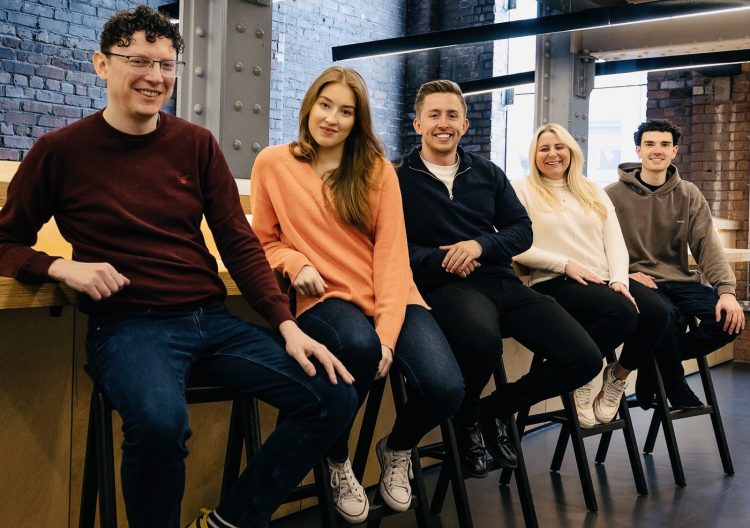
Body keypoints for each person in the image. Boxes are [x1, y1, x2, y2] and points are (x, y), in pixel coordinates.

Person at [0, 6, 358, 528]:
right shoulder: (60, 151)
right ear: (102, 64)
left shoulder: (196, 144)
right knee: (161, 425)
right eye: (139, 61)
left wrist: (286, 325)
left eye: (167, 65)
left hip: (211, 321)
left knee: (334, 396)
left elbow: (239, 243)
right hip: (129, 327)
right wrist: (58, 267)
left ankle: (231, 521)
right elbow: (5, 241)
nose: (155, 77)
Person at [250, 67, 463, 522]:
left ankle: (397, 449)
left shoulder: (376, 170)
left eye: (346, 111)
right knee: (358, 348)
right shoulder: (272, 163)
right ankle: (336, 457)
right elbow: (263, 242)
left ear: (357, 120)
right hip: (325, 298)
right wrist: (295, 262)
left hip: (390, 295)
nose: (332, 118)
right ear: (309, 106)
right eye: (325, 105)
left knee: (446, 389)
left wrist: (388, 335)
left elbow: (392, 257)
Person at [396, 80, 601, 478]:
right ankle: (465, 420)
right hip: (445, 286)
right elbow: (387, 245)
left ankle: (492, 409)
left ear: (465, 124)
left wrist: (478, 245)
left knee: (584, 358)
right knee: (482, 344)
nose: (443, 123)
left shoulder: (487, 172)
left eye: (452, 115)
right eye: (434, 115)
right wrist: (441, 259)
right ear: (417, 123)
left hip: (501, 281)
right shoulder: (396, 177)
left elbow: (521, 231)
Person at [512, 123, 668, 428]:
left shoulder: (590, 188)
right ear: (534, 155)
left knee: (656, 312)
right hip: (554, 281)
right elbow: (515, 246)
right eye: (544, 149)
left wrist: (620, 280)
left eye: (559, 147)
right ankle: (581, 374)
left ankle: (617, 376)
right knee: (622, 313)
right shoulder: (521, 189)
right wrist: (564, 264)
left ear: (572, 151)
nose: (553, 154)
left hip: (602, 280)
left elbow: (614, 241)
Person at [606, 119, 744, 409]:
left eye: (664, 144)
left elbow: (707, 245)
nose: (657, 150)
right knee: (664, 317)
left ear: (674, 151)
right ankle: (675, 385)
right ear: (638, 150)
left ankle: (653, 362)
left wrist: (727, 291)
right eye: (649, 144)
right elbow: (596, 246)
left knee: (729, 323)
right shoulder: (611, 195)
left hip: (679, 279)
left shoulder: (689, 193)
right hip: (640, 282)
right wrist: (625, 273)